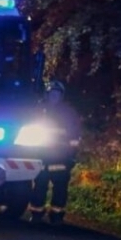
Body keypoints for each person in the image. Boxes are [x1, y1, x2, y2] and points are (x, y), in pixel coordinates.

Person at [28, 80, 81, 225]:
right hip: (41, 155)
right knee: (40, 186)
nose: (54, 96)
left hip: (61, 157)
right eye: (52, 93)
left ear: (61, 96)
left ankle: (56, 215)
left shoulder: (69, 112)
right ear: (47, 94)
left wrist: (71, 154)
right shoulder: (39, 109)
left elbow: (75, 135)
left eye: (57, 94)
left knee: (60, 187)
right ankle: (36, 214)